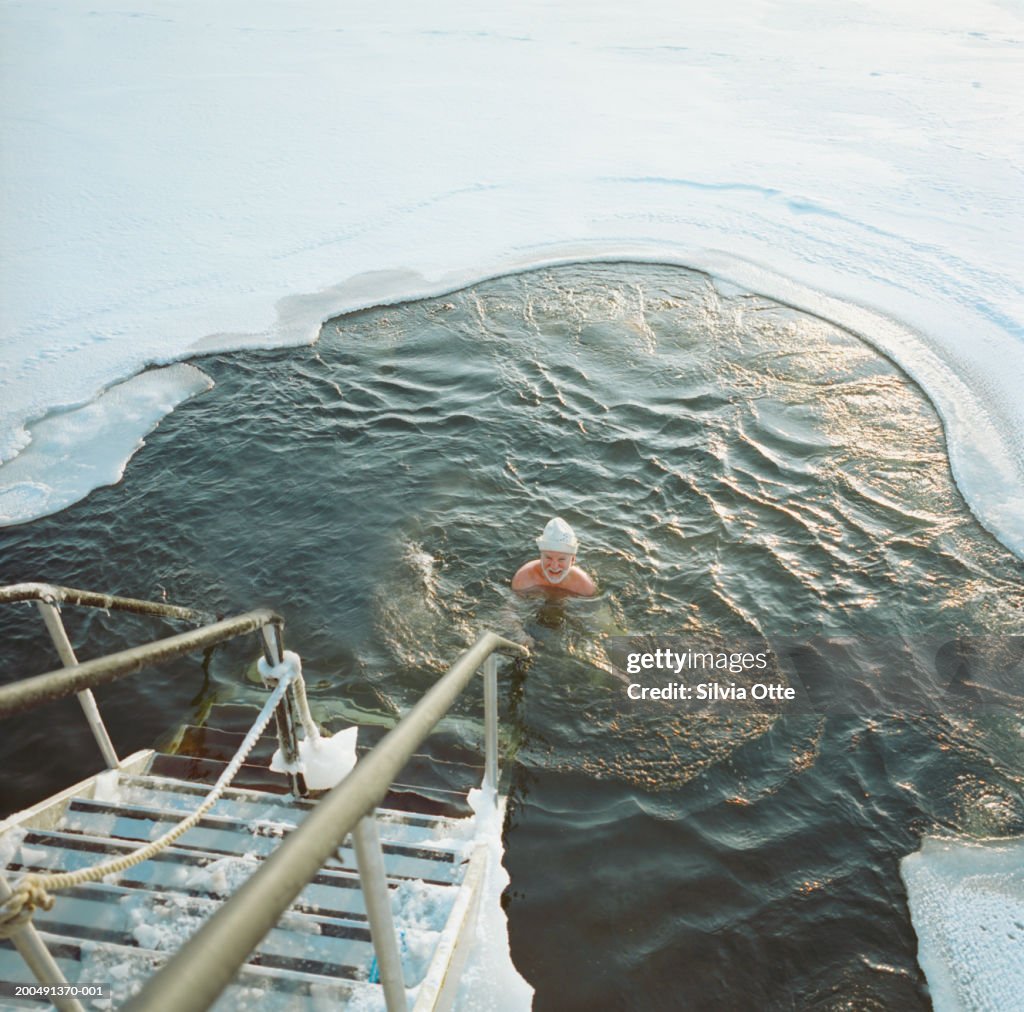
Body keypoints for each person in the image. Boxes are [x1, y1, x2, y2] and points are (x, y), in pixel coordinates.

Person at [511, 517, 596, 597]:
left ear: (573, 560)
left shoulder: (585, 587)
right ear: (541, 557)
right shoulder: (523, 578)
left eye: (561, 559)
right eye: (548, 558)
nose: (554, 566)